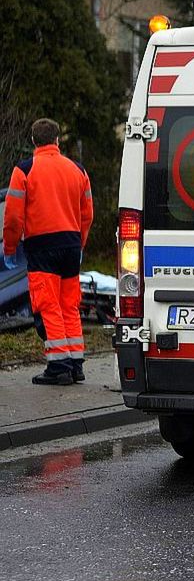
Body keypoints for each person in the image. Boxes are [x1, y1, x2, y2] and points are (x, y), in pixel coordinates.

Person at [2, 118, 94, 385]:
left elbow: (12, 218)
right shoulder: (77, 169)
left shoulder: (25, 170)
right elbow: (87, 213)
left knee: (48, 304)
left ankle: (59, 366)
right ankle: (76, 364)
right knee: (69, 304)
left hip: (42, 246)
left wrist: (10, 248)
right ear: (57, 140)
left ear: (33, 140)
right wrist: (80, 243)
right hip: (71, 244)